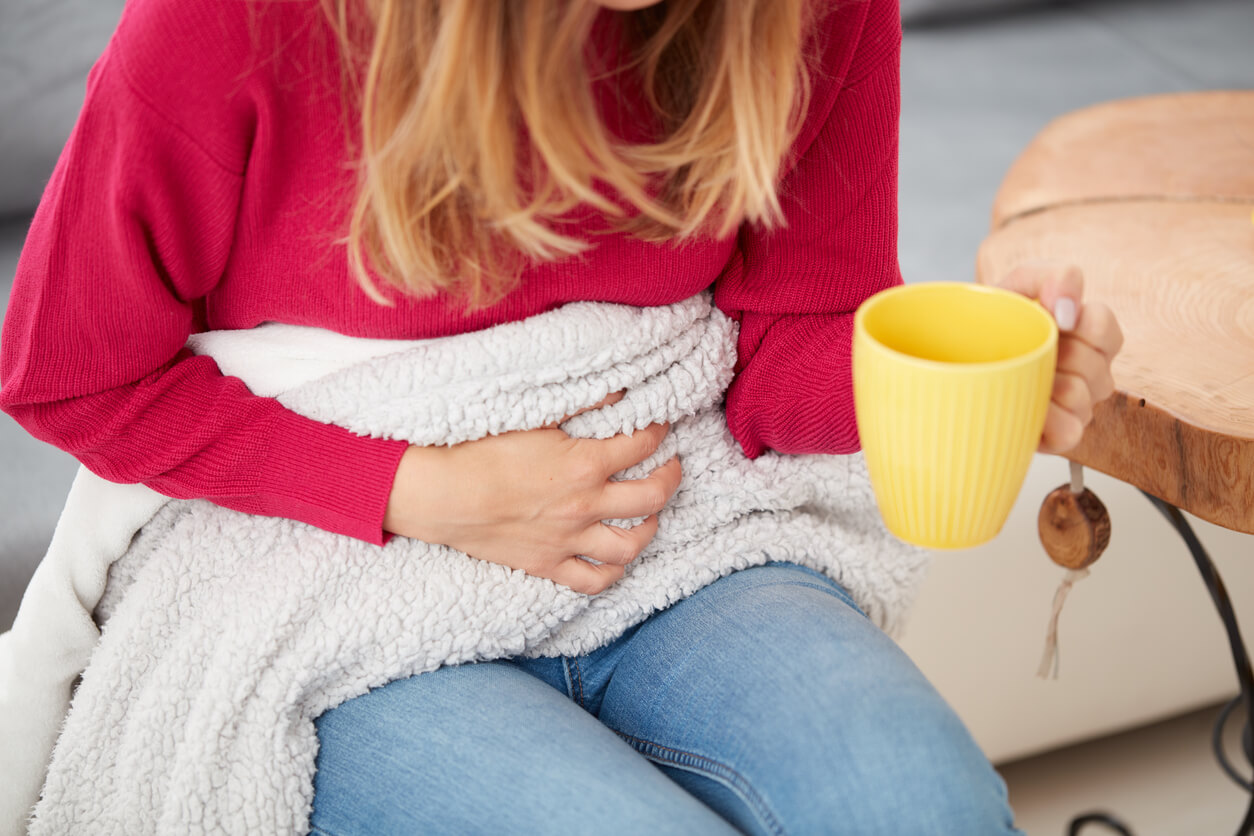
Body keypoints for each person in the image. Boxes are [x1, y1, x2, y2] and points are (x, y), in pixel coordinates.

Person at [0, 0, 1123, 832]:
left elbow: (778, 356)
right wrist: (428, 493)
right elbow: (67, 370)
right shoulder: (241, 25)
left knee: (924, 809)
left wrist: (957, 380)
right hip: (334, 586)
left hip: (683, 538)